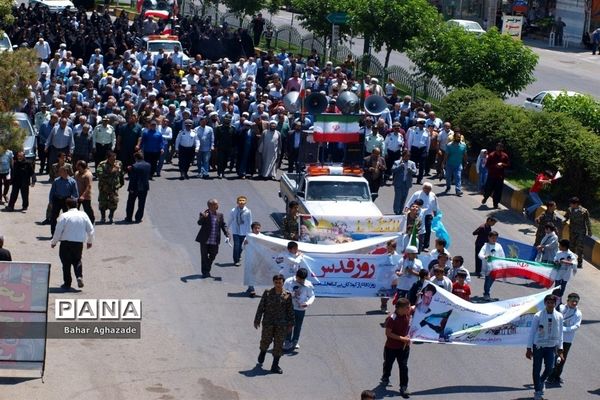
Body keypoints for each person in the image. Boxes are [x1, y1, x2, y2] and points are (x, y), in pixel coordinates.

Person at [254, 274, 295, 374]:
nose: (278, 284)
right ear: (273, 282)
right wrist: (257, 320)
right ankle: (263, 351)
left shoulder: (287, 295)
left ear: (283, 283)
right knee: (265, 340)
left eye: (280, 283)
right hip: (268, 323)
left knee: (279, 344)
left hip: (281, 324)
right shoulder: (267, 293)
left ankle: (275, 365)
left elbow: (290, 311)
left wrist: (291, 324)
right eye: (276, 282)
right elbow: (261, 307)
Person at [526, 294, 564, 400]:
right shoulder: (538, 316)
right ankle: (538, 392)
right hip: (538, 346)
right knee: (536, 368)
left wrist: (560, 349)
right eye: (548, 303)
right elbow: (532, 332)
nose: (550, 305)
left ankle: (541, 382)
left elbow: (560, 333)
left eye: (552, 303)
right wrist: (529, 349)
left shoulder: (559, 316)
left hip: (551, 346)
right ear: (545, 303)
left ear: (555, 304)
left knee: (550, 368)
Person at [50, 198, 94, 290]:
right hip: (78, 243)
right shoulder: (83, 215)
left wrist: (54, 242)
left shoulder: (64, 216)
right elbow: (91, 229)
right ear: (77, 205)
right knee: (77, 260)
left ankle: (67, 283)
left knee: (66, 263)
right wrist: (89, 241)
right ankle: (79, 276)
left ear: (67, 206)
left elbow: (58, 231)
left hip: (66, 243)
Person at [547, 293, 582, 385]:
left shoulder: (578, 313)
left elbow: (577, 326)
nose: (574, 303)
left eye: (576, 301)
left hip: (567, 340)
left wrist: (564, 329)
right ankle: (550, 376)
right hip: (556, 337)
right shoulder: (560, 308)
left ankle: (557, 376)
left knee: (562, 358)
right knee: (554, 357)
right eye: (572, 301)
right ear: (568, 301)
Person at [381, 298, 412, 399]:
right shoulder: (392, 318)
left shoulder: (407, 313)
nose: (409, 309)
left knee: (403, 366)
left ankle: (403, 387)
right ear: (401, 308)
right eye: (407, 307)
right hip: (391, 347)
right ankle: (386, 377)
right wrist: (402, 338)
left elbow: (416, 306)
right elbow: (388, 333)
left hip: (404, 347)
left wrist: (420, 295)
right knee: (388, 363)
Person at [195, 199, 230, 278]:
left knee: (213, 254)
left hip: (214, 240)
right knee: (204, 256)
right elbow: (199, 223)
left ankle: (207, 267)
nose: (217, 206)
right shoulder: (203, 214)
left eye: (217, 204)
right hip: (205, 240)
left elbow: (223, 225)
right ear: (210, 206)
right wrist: (203, 217)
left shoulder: (220, 215)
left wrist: (227, 235)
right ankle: (205, 272)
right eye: (215, 204)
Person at [283, 267, 315, 351]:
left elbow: (312, 296)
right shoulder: (289, 281)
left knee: (298, 326)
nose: (301, 281)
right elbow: (283, 292)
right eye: (299, 279)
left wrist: (307, 303)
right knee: (289, 325)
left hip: (300, 309)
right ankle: (287, 341)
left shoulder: (308, 284)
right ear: (296, 276)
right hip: (289, 307)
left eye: (302, 280)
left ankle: (295, 341)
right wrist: (291, 294)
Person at [405, 182, 438, 252]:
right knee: (416, 229)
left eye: (430, 189)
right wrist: (407, 210)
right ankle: (413, 243)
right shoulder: (417, 194)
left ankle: (425, 245)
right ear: (423, 188)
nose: (428, 190)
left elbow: (435, 204)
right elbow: (410, 202)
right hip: (417, 215)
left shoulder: (433, 195)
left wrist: (435, 213)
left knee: (428, 230)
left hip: (428, 215)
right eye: (427, 189)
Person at [49, 165, 79, 235]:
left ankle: (67, 234)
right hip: (57, 199)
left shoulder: (72, 181)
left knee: (67, 218)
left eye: (61, 171)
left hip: (66, 200)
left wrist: (73, 202)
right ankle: (53, 234)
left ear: (66, 172)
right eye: (59, 171)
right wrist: (50, 202)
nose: (59, 173)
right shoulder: (56, 181)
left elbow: (75, 193)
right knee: (54, 217)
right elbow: (52, 192)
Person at [96, 151, 124, 224]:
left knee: (114, 202)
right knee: (102, 202)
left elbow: (121, 174)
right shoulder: (102, 164)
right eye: (112, 159)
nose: (114, 161)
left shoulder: (119, 163)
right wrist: (112, 171)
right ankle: (103, 217)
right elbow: (99, 175)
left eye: (115, 159)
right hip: (104, 187)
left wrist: (121, 183)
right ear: (108, 158)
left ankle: (111, 216)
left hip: (114, 187)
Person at [563, 196, 591, 269]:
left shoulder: (584, 211)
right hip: (572, 230)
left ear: (576, 204)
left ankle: (579, 262)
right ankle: (571, 260)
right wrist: (564, 220)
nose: (570, 205)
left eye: (571, 204)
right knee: (571, 246)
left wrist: (589, 231)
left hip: (581, 231)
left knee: (579, 247)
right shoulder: (570, 210)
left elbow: (588, 222)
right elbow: (566, 216)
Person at [478, 230, 505, 301]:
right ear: (489, 237)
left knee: (492, 280)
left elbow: (502, 256)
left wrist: (503, 264)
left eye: (496, 238)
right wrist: (485, 256)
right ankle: (486, 293)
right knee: (488, 280)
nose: (494, 239)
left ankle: (487, 291)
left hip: (496, 267)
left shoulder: (499, 246)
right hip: (488, 267)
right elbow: (480, 255)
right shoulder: (485, 246)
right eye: (493, 238)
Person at [481, 142, 509, 209]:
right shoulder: (491, 155)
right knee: (488, 189)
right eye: (498, 147)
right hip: (491, 176)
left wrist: (502, 164)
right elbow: (487, 165)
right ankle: (485, 197)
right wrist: (495, 166)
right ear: (496, 147)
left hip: (500, 176)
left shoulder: (505, 156)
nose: (499, 148)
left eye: (501, 147)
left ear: (502, 148)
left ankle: (495, 204)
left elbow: (508, 165)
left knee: (498, 191)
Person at [125, 152, 151, 223]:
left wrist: (131, 188)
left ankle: (129, 217)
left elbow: (133, 179)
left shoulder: (134, 166)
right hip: (144, 187)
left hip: (135, 187)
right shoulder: (148, 165)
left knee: (130, 203)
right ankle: (138, 218)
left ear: (136, 158)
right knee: (141, 203)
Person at [228, 195, 253, 266]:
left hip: (244, 231)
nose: (241, 202)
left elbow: (250, 222)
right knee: (236, 246)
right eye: (240, 200)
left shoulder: (248, 211)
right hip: (236, 231)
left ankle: (239, 255)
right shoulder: (233, 210)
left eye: (243, 201)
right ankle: (236, 260)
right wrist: (227, 228)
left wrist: (250, 232)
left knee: (242, 246)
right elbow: (230, 219)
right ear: (237, 202)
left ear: (245, 202)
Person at [391, 150, 417, 215]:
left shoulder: (412, 163)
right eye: (406, 156)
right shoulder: (397, 162)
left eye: (408, 156)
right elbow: (393, 170)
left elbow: (415, 171)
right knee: (398, 197)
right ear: (403, 156)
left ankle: (400, 210)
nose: (407, 158)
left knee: (403, 197)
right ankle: (396, 210)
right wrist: (400, 166)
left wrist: (410, 170)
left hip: (406, 183)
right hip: (398, 183)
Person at [553, 239, 577, 305]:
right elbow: (555, 259)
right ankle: (554, 299)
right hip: (558, 273)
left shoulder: (570, 254)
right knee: (557, 286)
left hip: (566, 274)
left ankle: (559, 298)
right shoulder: (558, 253)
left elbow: (574, 263)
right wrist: (556, 262)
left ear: (564, 247)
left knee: (563, 287)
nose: (559, 247)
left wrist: (565, 261)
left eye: (560, 245)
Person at [443, 129, 467, 196]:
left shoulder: (463, 145)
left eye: (459, 137)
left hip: (458, 165)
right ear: (454, 137)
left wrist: (465, 162)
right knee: (448, 177)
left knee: (458, 177)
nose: (458, 138)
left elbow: (465, 154)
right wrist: (443, 163)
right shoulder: (449, 145)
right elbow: (446, 155)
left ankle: (458, 190)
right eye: (457, 137)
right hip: (449, 164)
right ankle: (448, 187)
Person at [214, 114, 236, 179]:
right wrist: (215, 146)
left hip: (229, 148)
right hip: (221, 147)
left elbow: (234, 139)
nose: (227, 120)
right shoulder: (219, 128)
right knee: (220, 160)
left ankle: (222, 172)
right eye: (226, 119)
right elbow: (216, 138)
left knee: (225, 161)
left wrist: (234, 148)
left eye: (229, 119)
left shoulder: (233, 128)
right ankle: (219, 173)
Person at [244, 221, 262, 297]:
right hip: (250, 258)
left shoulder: (262, 237)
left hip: (259, 259)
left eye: (258, 228)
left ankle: (250, 287)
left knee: (256, 273)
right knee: (250, 272)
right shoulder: (248, 236)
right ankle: (252, 288)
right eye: (255, 228)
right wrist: (245, 243)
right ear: (252, 229)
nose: (257, 230)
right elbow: (243, 246)